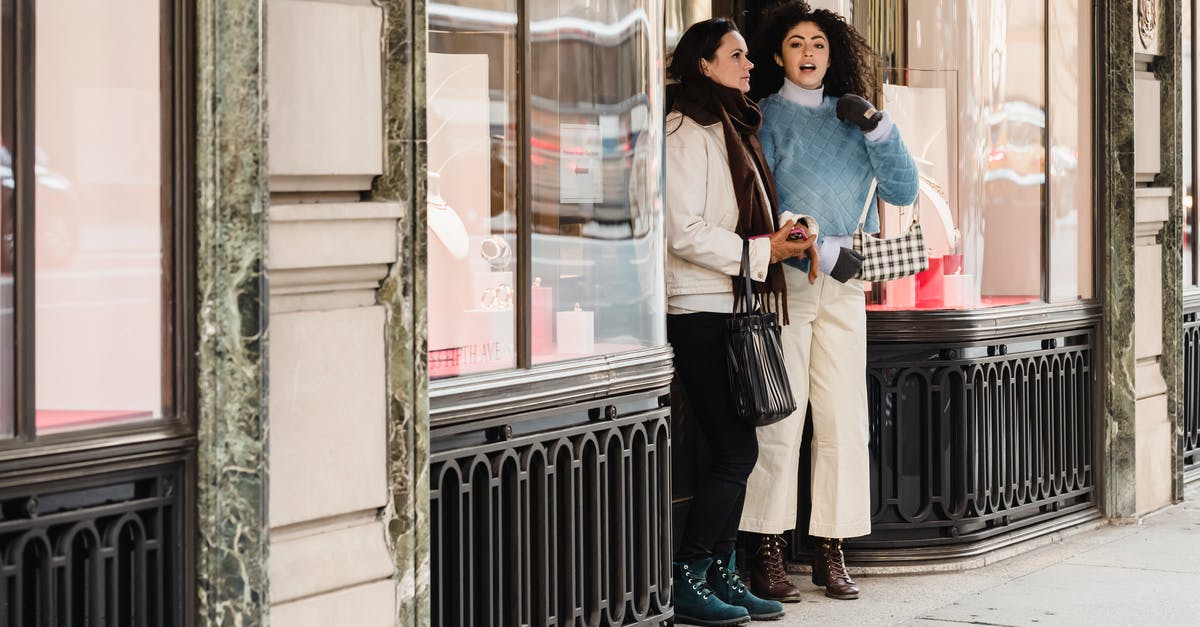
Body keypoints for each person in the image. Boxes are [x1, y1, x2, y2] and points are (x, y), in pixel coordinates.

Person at [738, 1, 919, 603]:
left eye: (818, 42)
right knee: (780, 420)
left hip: (842, 281)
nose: (809, 52)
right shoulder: (760, 120)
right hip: (783, 284)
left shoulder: (856, 121)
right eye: (796, 43)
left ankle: (830, 548)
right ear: (777, 54)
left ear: (832, 53)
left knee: (843, 420)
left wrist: (875, 124)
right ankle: (766, 547)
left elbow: (903, 188)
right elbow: (751, 204)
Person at [664, 17, 818, 626]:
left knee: (738, 448)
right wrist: (763, 253)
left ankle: (721, 571)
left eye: (748, 56)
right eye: (737, 55)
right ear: (705, 64)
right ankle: (689, 574)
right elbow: (685, 231)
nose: (749, 65)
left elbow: (743, 215)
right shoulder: (685, 130)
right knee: (734, 449)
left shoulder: (733, 124)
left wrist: (784, 236)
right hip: (699, 306)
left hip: (732, 305)